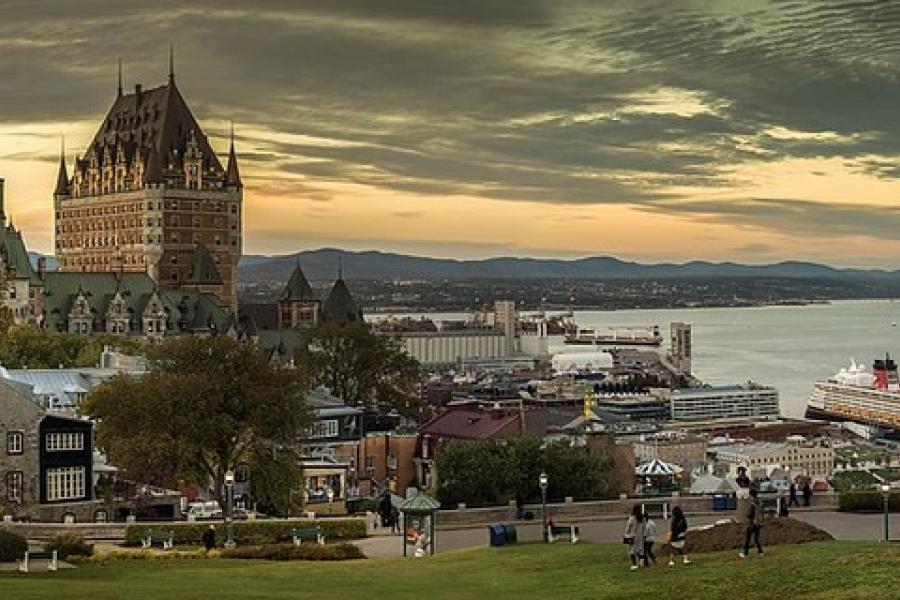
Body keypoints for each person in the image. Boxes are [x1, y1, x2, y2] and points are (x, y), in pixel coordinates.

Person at [740, 488, 764, 558]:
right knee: (756, 538)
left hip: (753, 523)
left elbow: (750, 514)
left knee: (748, 538)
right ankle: (760, 552)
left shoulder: (753, 503)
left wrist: (747, 515)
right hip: (759, 522)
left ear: (751, 495)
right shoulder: (760, 501)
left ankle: (745, 553)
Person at [624, 504, 646, 570]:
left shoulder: (632, 518)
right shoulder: (643, 518)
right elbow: (644, 527)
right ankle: (641, 560)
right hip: (640, 535)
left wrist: (626, 533)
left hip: (632, 535)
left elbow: (628, 526)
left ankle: (634, 564)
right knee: (640, 549)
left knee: (632, 550)